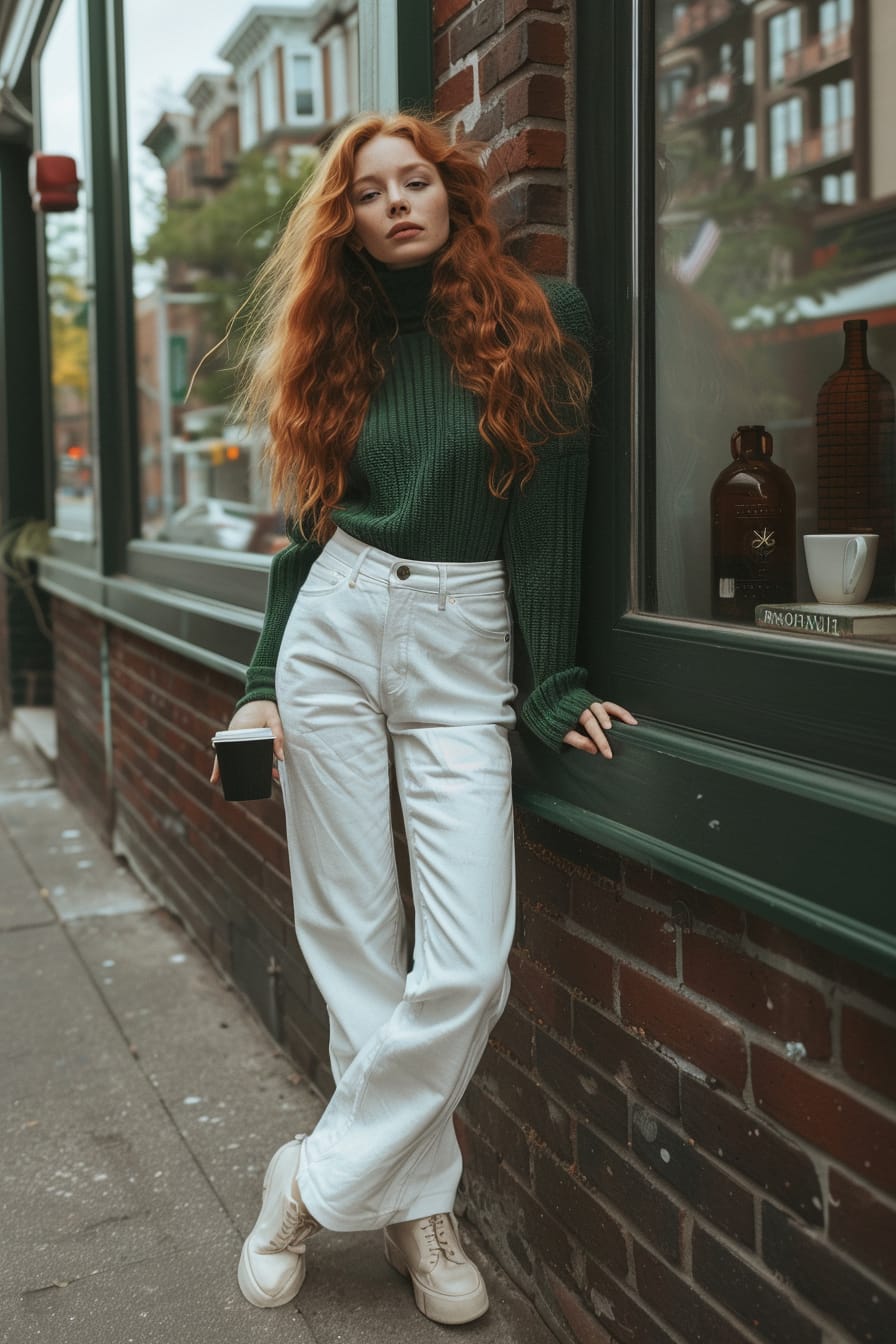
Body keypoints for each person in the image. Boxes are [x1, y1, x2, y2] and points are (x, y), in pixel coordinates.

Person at [211, 112, 637, 1326]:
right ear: (342, 222)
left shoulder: (540, 318)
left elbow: (553, 514)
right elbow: (304, 545)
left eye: (415, 181)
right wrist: (258, 680)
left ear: (451, 193)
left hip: (466, 649)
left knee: (462, 965)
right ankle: (417, 1211)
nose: (394, 203)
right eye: (365, 192)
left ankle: (309, 1184)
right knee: (351, 938)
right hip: (336, 631)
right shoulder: (332, 346)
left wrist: (550, 682)